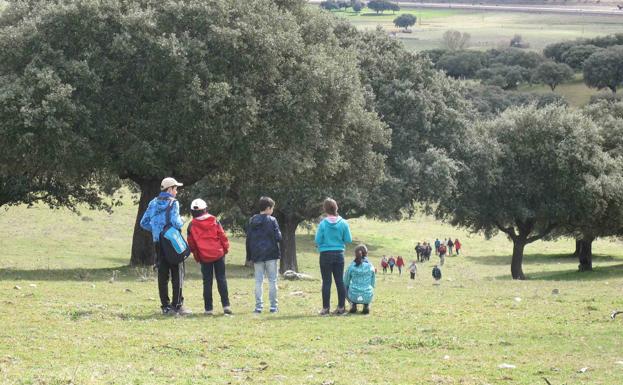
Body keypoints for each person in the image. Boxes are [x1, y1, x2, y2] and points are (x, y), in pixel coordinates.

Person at [140, 177, 190, 316]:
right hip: (172, 242)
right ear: (170, 189)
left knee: (163, 275)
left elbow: (143, 223)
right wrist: (183, 219)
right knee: (177, 274)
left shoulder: (153, 202)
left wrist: (156, 230)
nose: (176, 191)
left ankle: (165, 306)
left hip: (158, 243)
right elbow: (176, 222)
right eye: (175, 188)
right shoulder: (174, 203)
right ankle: (177, 305)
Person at [187, 198, 232, 316]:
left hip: (204, 256)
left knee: (207, 282)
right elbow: (222, 235)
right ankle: (226, 306)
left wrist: (197, 256)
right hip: (218, 254)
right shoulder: (214, 220)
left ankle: (208, 309)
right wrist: (225, 249)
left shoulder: (191, 225)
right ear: (205, 209)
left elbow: (191, 244)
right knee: (221, 279)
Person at [315, 198, 352, 316]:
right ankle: (341, 307)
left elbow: (317, 240)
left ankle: (325, 309)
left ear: (325, 209)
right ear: (336, 208)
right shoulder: (343, 223)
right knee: (339, 281)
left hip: (325, 254)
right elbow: (348, 240)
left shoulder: (323, 224)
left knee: (326, 282)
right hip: (339, 254)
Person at [246, 196, 282, 314]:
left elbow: (249, 239)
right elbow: (278, 237)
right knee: (272, 280)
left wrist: (249, 255)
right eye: (272, 208)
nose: (272, 210)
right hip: (271, 253)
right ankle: (273, 306)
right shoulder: (272, 220)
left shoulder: (252, 220)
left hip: (257, 254)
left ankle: (258, 306)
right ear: (268, 208)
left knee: (258, 281)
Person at [344, 245, 375, 315]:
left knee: (344, 285)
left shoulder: (351, 266)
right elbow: (373, 283)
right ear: (366, 254)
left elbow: (346, 281)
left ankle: (352, 304)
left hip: (353, 295)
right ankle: (366, 305)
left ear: (355, 254)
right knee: (370, 287)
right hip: (367, 294)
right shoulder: (370, 266)